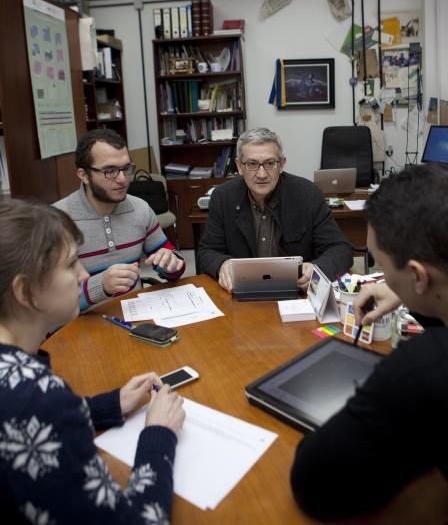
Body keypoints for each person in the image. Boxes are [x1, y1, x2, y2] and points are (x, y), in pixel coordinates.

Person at [290, 164, 448, 521]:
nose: (383, 280)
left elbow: (315, 483)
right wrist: (410, 292)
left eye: (383, 267)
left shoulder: (426, 366)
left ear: (418, 274)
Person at [0, 199, 185, 523]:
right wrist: (159, 434)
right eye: (71, 264)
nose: (84, 274)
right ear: (26, 291)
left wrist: (108, 405)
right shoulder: (38, 397)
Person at [198, 127, 353, 292]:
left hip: (297, 295)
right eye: (252, 164)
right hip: (240, 295)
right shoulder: (223, 197)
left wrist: (316, 269)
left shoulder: (308, 195)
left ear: (282, 164)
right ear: (239, 166)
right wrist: (221, 264)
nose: (262, 174)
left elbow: (341, 249)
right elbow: (207, 251)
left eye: (270, 163)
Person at [55, 129, 185, 312]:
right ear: (83, 175)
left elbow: (172, 265)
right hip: (79, 326)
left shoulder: (140, 209)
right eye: (110, 171)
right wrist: (101, 286)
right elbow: (51, 304)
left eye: (126, 168)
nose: (123, 179)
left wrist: (172, 264)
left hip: (135, 316)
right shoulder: (55, 221)